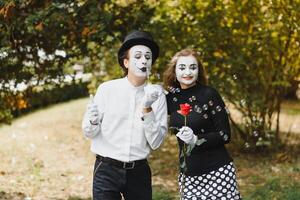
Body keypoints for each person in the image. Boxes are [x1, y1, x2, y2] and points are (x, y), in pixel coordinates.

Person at [82, 30, 168, 200]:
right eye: (137, 56)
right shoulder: (107, 89)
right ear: (126, 62)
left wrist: (147, 108)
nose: (143, 60)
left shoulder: (157, 96)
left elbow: (156, 142)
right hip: (106, 169)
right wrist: (92, 120)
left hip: (139, 172)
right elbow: (88, 132)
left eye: (148, 57)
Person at [163, 48, 241, 200]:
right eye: (182, 67)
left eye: (193, 67)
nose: (188, 72)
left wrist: (195, 139)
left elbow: (225, 135)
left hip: (218, 172)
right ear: (174, 70)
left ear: (199, 70)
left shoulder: (209, 94)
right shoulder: (171, 98)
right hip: (188, 175)